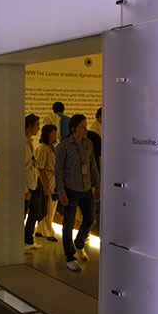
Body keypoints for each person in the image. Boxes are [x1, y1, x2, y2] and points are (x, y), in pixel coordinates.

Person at [55, 114, 99, 272]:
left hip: (86, 188)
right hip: (70, 190)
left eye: (86, 126)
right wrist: (61, 192)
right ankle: (70, 256)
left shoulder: (88, 144)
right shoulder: (64, 147)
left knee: (90, 219)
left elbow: (92, 166)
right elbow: (58, 172)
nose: (86, 130)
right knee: (68, 224)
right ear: (74, 129)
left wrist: (98, 185)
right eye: (83, 127)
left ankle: (79, 243)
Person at [34, 124, 58, 241]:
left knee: (50, 206)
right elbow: (41, 168)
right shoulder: (43, 148)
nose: (55, 135)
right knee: (48, 207)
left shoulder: (51, 148)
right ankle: (47, 231)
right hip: (48, 180)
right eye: (53, 132)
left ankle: (42, 229)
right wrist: (45, 186)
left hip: (53, 180)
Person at [23, 114, 43, 252]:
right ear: (30, 126)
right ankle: (21, 242)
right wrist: (24, 189)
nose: (39, 128)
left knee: (36, 211)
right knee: (22, 214)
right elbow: (19, 168)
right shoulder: (22, 143)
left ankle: (28, 240)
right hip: (26, 187)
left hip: (33, 183)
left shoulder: (29, 141)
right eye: (37, 125)